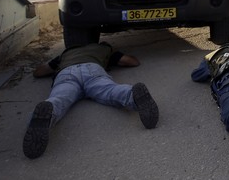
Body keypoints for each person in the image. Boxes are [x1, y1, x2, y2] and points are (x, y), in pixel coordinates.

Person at [23, 42, 159, 159]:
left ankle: (47, 112)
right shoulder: (103, 49)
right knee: (109, 90)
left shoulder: (66, 54)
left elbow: (39, 72)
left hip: (66, 71)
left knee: (59, 98)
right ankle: (132, 95)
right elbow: (131, 62)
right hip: (92, 69)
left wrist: (53, 65)